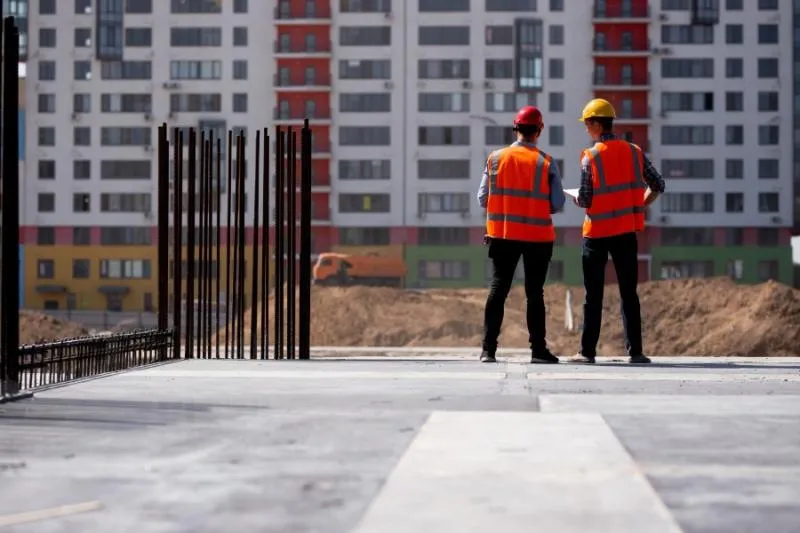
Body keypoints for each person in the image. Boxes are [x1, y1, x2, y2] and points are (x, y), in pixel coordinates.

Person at [569, 98, 666, 365]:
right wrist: (639, 204)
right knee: (628, 293)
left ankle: (587, 352)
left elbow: (587, 199)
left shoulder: (591, 157)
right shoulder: (634, 151)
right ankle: (635, 352)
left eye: (588, 124)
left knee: (593, 295)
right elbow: (658, 184)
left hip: (596, 234)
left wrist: (575, 198)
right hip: (625, 232)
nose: (587, 129)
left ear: (597, 124)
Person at [477, 105, 566, 364]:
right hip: (537, 238)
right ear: (539, 131)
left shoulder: (495, 158)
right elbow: (558, 202)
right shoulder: (545, 162)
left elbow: (482, 198)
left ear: (515, 128)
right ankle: (538, 350)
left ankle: (488, 350)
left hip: (503, 234)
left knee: (498, 289)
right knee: (534, 294)